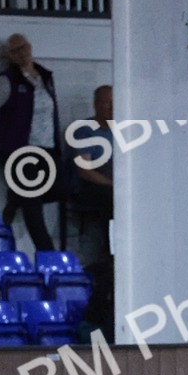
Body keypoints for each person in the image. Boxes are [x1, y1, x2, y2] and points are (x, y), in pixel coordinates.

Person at [0, 32, 60, 251]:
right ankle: (48, 255)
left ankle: (15, 197)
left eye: (23, 47)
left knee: (54, 192)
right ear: (9, 56)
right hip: (19, 152)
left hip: (46, 149)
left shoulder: (45, 77)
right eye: (15, 50)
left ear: (30, 47)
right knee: (33, 206)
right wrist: (0, 133)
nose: (21, 53)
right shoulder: (7, 81)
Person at [67, 84, 114, 265]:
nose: (112, 108)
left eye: (115, 103)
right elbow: (84, 170)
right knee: (113, 200)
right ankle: (109, 253)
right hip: (90, 188)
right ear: (96, 105)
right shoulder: (85, 130)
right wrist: (112, 185)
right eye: (107, 103)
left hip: (113, 183)